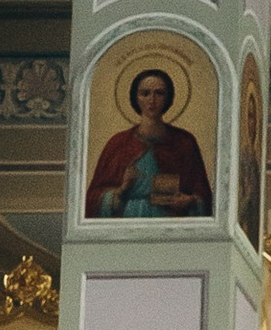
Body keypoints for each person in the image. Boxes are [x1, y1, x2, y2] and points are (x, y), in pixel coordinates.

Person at [85, 65, 214, 220]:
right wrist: (121, 190)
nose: (152, 100)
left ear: (168, 97)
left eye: (159, 93)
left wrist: (190, 201)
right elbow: (93, 199)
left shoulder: (184, 142)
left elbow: (203, 196)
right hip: (128, 222)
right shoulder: (118, 144)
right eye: (145, 93)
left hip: (171, 222)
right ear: (135, 97)